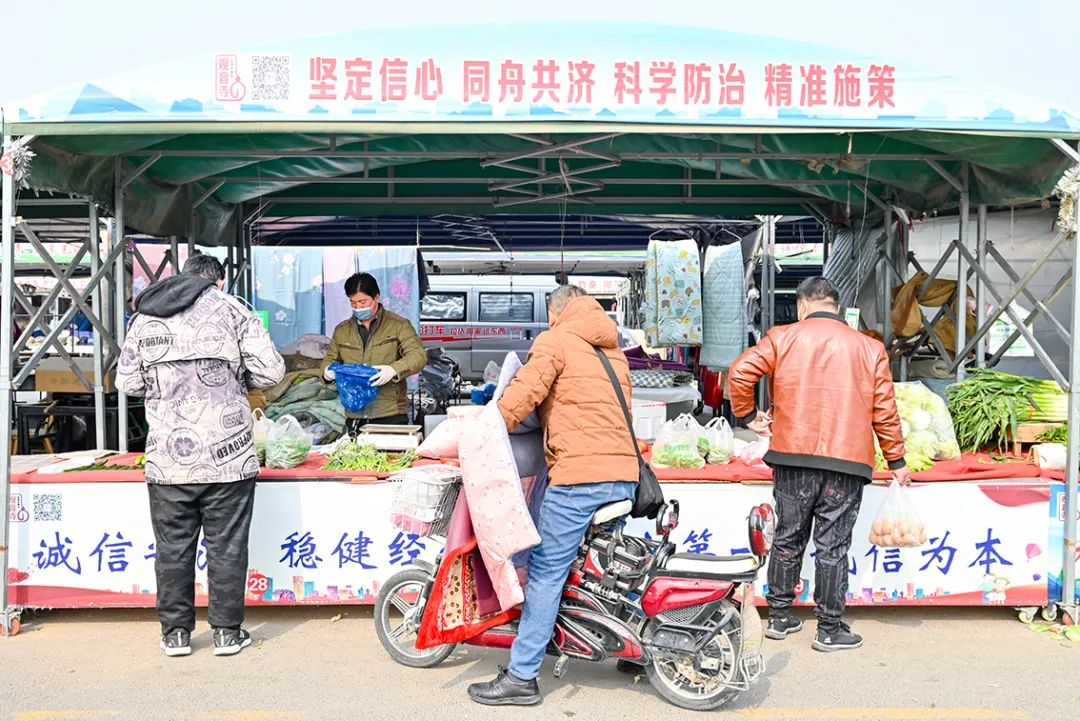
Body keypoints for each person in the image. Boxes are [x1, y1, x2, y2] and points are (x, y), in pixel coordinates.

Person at [467, 285, 639, 707]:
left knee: (547, 572)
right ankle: (635, 648)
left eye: (548, 316)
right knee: (608, 567)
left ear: (556, 312)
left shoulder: (555, 340)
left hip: (581, 476)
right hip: (624, 474)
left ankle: (522, 675)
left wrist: (487, 428)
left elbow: (520, 397)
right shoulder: (612, 349)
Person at [116, 254, 285, 658]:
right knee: (226, 545)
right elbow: (272, 372)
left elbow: (126, 381)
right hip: (229, 457)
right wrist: (233, 378)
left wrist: (167, 389)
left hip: (168, 459)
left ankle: (175, 634)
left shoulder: (147, 314)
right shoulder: (232, 309)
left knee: (173, 546)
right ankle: (227, 633)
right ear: (218, 281)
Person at [728, 277, 909, 653]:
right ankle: (829, 628)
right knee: (833, 546)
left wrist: (747, 415)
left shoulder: (782, 337)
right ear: (838, 307)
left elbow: (740, 372)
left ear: (802, 306)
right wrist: (897, 459)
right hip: (847, 462)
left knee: (789, 535)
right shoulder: (870, 348)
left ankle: (778, 617)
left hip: (792, 457)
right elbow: (885, 410)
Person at [321, 272, 427, 435]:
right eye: (353, 303)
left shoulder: (398, 326)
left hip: (390, 413)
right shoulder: (342, 330)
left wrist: (393, 370)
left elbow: (418, 356)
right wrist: (327, 371)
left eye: (363, 302)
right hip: (355, 413)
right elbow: (330, 358)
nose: (358, 307)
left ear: (376, 297)